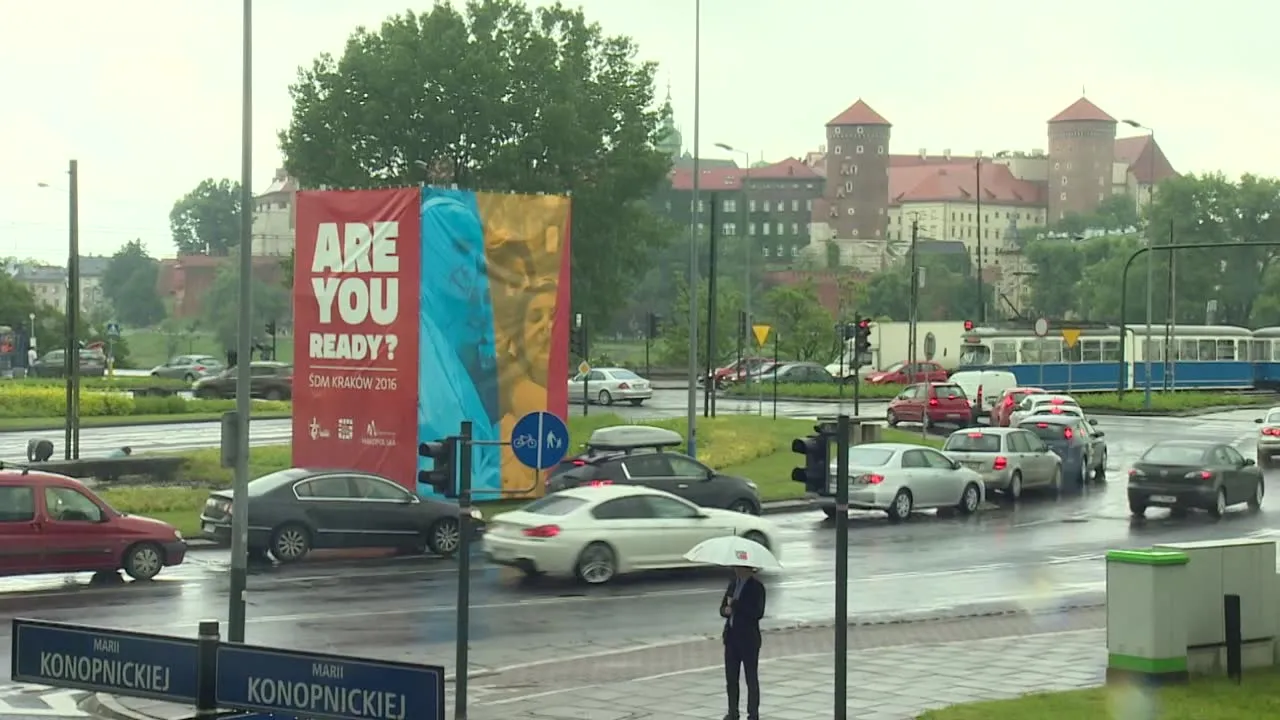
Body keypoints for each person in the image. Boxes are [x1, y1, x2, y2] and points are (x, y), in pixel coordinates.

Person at [721, 565, 765, 720]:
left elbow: (758, 613)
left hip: (748, 639)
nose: (735, 569)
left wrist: (737, 605)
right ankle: (733, 711)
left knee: (750, 678)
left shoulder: (757, 587)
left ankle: (753, 713)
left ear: (747, 568)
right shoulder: (733, 584)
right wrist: (725, 610)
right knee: (731, 678)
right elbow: (723, 607)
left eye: (739, 567)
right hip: (731, 638)